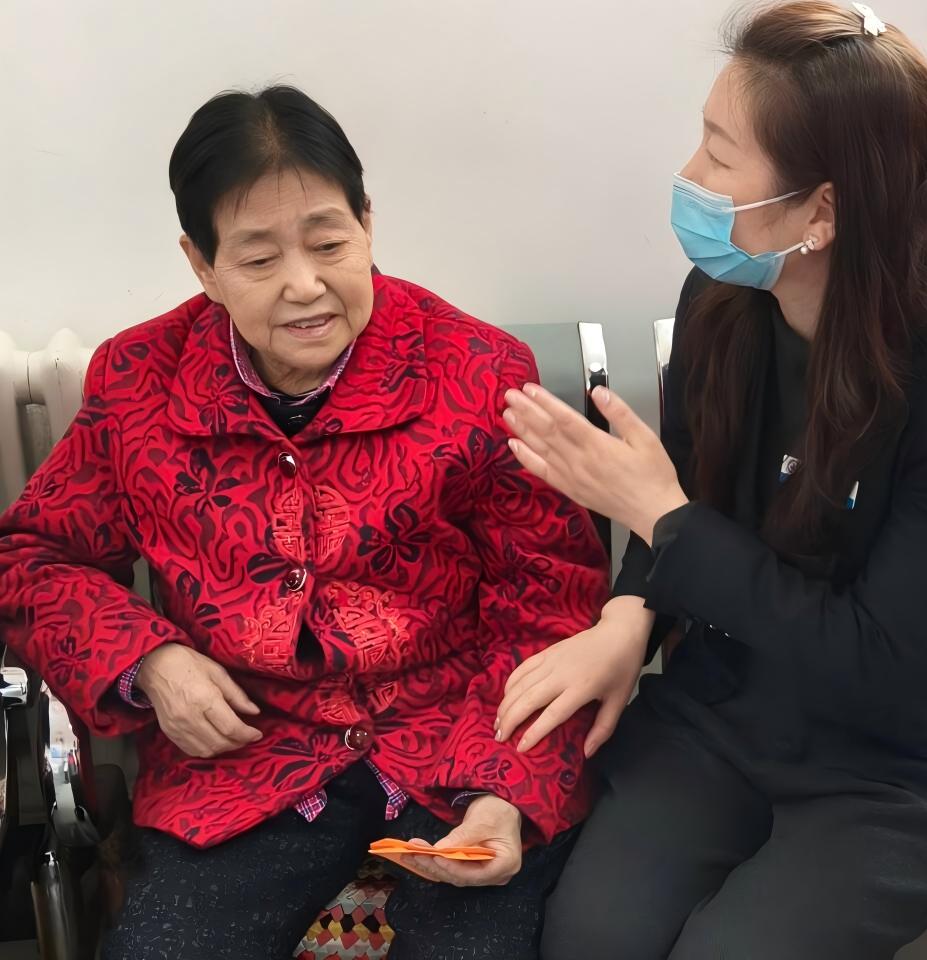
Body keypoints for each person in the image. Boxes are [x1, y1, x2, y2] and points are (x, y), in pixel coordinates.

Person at [0, 86, 609, 960]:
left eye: (329, 243)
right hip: (247, 759)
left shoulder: (477, 370)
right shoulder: (139, 380)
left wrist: (504, 790)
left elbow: (550, 598)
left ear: (368, 223)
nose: (305, 284)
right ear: (202, 265)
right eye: (258, 258)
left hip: (459, 742)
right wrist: (151, 661)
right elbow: (33, 555)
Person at [495, 3, 927, 957]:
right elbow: (682, 496)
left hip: (895, 760)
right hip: (724, 712)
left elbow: (873, 654)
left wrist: (661, 519)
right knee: (590, 938)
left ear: (822, 211)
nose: (689, 175)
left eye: (719, 155)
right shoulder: (723, 297)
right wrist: (626, 620)